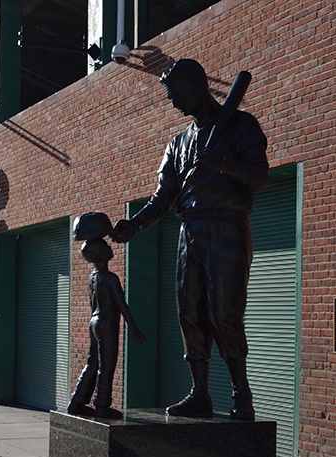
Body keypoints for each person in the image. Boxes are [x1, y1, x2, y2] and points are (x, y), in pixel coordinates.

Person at [111, 59, 269, 421]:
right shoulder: (178, 144)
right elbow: (162, 198)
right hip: (190, 229)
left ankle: (240, 393)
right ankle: (200, 393)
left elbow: (261, 177)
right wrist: (133, 226)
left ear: (198, 85)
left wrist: (221, 163)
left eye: (177, 94)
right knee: (189, 313)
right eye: (170, 97)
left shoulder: (240, 125)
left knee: (224, 311)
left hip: (227, 226)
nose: (174, 103)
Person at [68, 235, 145, 419]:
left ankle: (77, 401)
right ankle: (102, 405)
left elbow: (92, 302)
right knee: (107, 366)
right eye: (106, 246)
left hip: (94, 321)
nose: (110, 248)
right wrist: (133, 326)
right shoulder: (110, 278)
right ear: (102, 253)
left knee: (92, 363)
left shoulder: (92, 278)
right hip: (107, 323)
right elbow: (120, 303)